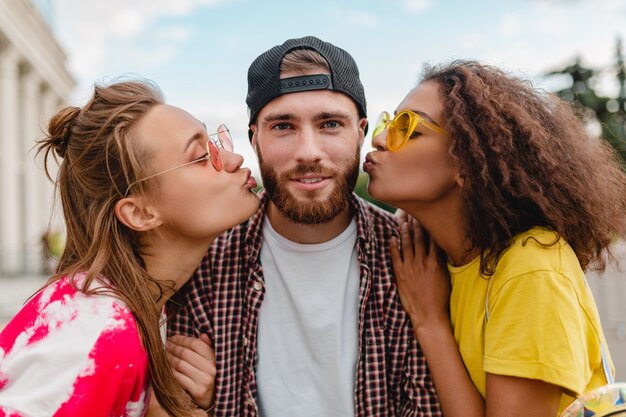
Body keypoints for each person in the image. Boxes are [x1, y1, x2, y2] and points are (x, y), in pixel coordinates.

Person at [165, 36, 442, 417]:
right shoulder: (203, 263)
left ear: (360, 132)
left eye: (330, 124)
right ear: (254, 139)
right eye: (283, 126)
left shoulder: (413, 256)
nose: (308, 152)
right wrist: (192, 403)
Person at [363, 60, 626, 417]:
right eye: (388, 123)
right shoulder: (439, 255)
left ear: (466, 161)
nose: (378, 139)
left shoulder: (530, 269)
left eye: (408, 127)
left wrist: (429, 321)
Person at [0, 80, 260, 417]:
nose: (233, 157)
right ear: (140, 213)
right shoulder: (99, 332)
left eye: (215, 141)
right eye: (200, 156)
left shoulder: (131, 311)